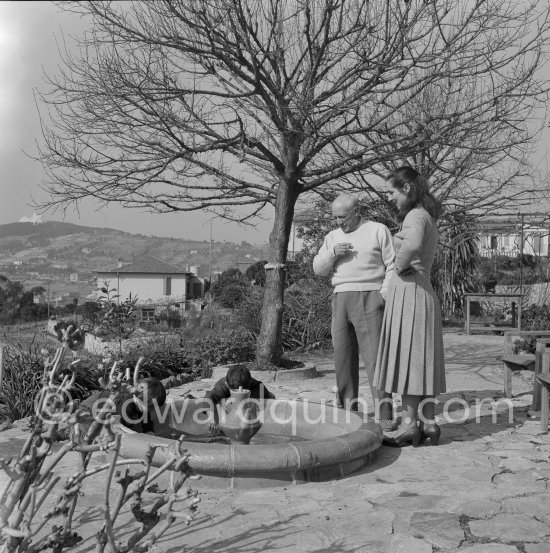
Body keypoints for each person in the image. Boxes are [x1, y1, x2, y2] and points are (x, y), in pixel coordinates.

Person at [374, 166, 446, 447]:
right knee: (421, 361)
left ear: (406, 189)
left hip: (411, 292)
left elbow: (413, 243)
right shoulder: (427, 215)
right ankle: (428, 424)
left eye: (391, 192)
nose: (389, 198)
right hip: (420, 291)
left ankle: (408, 426)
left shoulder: (415, 215)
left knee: (409, 361)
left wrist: (400, 265)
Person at [313, 194, 395, 427]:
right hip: (341, 298)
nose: (339, 222)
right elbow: (318, 269)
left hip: (371, 296)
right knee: (343, 358)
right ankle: (348, 412)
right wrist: (332, 254)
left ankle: (385, 415)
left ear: (357, 211)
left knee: (374, 359)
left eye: (343, 216)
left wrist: (383, 295)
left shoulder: (378, 230)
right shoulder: (332, 237)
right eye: (335, 217)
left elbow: (393, 264)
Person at [77, 377, 167, 435]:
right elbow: (119, 427)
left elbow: (147, 423)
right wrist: (136, 435)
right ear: (139, 397)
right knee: (88, 433)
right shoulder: (126, 403)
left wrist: (150, 433)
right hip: (88, 409)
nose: (151, 411)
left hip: (108, 410)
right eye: (150, 407)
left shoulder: (142, 405)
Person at [204, 365, 275, 405]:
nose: (239, 392)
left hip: (255, 402)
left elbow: (269, 396)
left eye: (243, 391)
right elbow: (210, 396)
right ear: (227, 385)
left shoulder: (256, 385)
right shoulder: (222, 385)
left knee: (270, 397)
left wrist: (237, 399)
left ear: (250, 383)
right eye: (235, 391)